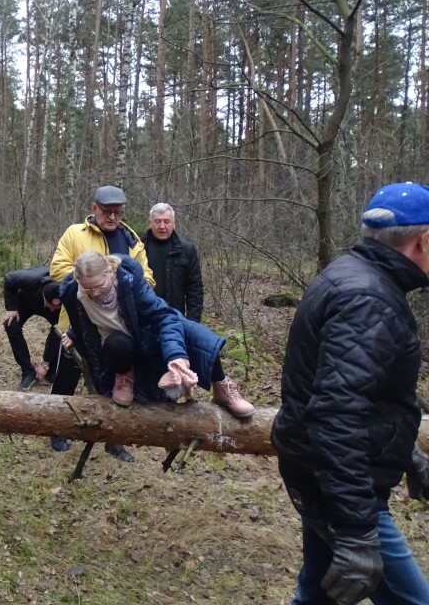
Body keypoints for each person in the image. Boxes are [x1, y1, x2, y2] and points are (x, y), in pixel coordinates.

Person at [271, 182, 429, 605]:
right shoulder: (368, 299)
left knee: (319, 592)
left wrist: (406, 455)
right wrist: (359, 533)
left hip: (319, 471)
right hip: (336, 485)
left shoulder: (353, 275)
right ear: (423, 239)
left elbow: (357, 396)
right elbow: (335, 414)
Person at [59, 250, 254, 415]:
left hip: (146, 335)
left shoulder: (130, 282)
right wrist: (74, 334)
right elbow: (83, 321)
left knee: (196, 335)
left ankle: (222, 387)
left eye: (99, 286)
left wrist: (176, 356)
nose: (94, 293)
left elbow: (163, 317)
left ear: (110, 272)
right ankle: (125, 377)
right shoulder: (75, 293)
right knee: (117, 343)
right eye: (87, 288)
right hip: (120, 348)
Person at [47, 184, 154, 458]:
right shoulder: (75, 234)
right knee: (66, 379)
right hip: (76, 325)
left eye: (118, 212)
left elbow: (148, 277)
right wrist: (92, 282)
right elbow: (58, 269)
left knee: (116, 382)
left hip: (117, 329)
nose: (113, 217)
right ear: (94, 209)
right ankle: (57, 429)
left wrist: (121, 286)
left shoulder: (131, 239)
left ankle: (113, 438)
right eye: (108, 211)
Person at [1, 266, 62, 390]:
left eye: (55, 308)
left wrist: (45, 364)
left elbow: (57, 333)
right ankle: (28, 371)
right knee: (11, 325)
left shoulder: (66, 292)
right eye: (50, 306)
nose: (51, 309)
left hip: (55, 309)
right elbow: (9, 279)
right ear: (45, 298)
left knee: (60, 332)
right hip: (26, 302)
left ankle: (52, 369)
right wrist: (11, 309)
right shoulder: (30, 279)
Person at [143, 203, 204, 321]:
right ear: (150, 223)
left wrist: (192, 323)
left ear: (174, 223)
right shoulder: (139, 249)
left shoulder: (186, 250)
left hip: (176, 319)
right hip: (145, 320)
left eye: (166, 221)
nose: (162, 226)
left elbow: (195, 290)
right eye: (157, 221)